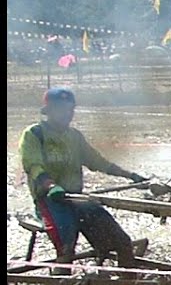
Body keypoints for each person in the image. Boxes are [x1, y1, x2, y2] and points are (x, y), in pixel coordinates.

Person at [18, 87, 149, 272]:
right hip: (50, 200)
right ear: (49, 110)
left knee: (121, 240)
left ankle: (128, 284)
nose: (67, 114)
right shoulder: (34, 134)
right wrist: (52, 186)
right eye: (62, 109)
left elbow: (98, 162)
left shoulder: (74, 136)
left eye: (70, 109)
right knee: (66, 245)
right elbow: (33, 166)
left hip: (76, 198)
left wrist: (131, 176)